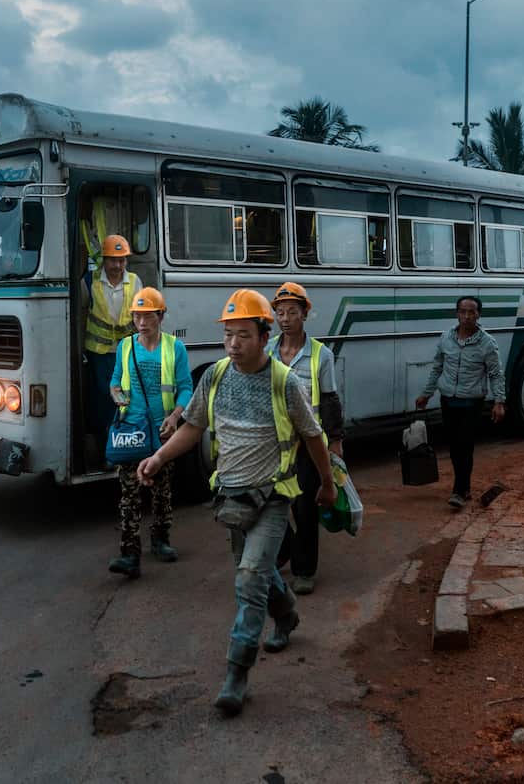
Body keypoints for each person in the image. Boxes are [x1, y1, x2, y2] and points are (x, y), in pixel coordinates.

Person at [136, 289, 336, 715]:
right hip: (232, 498)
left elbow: (313, 437)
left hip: (274, 498)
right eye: (228, 335)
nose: (232, 344)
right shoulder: (217, 377)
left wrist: (327, 483)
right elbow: (192, 428)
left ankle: (236, 675)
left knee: (248, 580)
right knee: (258, 572)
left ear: (264, 337)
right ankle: (287, 615)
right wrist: (157, 457)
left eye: (243, 335)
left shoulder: (286, 382)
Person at [107, 287, 193, 579]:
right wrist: (119, 400)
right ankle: (129, 553)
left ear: (161, 315)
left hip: (163, 431)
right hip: (132, 430)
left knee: (161, 491)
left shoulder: (174, 348)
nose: (142, 322)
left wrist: (174, 417)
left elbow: (185, 388)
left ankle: (160, 540)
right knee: (129, 494)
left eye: (148, 316)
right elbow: (115, 382)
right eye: (137, 316)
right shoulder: (125, 346)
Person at [265, 281, 345, 596]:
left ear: (305, 314)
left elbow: (330, 401)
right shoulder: (268, 350)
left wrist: (335, 442)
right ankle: (285, 548)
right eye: (280, 313)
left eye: (292, 312)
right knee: (270, 503)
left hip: (308, 445)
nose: (285, 318)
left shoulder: (320, 355)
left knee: (305, 509)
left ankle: (304, 571)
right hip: (272, 444)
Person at [414, 296, 506, 509]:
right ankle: (464, 488)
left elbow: (495, 374)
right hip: (448, 400)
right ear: (457, 314)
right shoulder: (446, 338)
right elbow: (437, 367)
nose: (467, 316)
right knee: (455, 447)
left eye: (471, 312)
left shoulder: (487, 343)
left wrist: (499, 402)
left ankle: (459, 489)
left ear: (478, 315)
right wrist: (426, 394)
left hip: (471, 403)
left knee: (465, 445)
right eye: (463, 311)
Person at [84, 234, 143, 462]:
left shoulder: (135, 282)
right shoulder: (90, 282)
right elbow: (80, 314)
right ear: (104, 260)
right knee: (104, 400)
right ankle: (107, 448)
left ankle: (124, 446)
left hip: (127, 352)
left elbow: (141, 317)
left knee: (126, 399)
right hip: (99, 353)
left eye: (122, 260)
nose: (118, 265)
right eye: (113, 260)